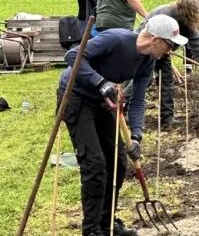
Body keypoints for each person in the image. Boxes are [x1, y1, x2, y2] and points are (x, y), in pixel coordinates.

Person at [56, 15, 188, 236]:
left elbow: (138, 100)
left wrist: (136, 136)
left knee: (117, 162)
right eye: (170, 45)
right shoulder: (116, 40)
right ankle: (92, 230)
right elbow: (72, 55)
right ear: (155, 40)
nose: (171, 51)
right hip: (76, 96)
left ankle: (107, 224)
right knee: (95, 164)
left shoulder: (148, 62)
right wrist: (101, 82)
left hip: (103, 101)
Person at [125, 0, 199, 129]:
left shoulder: (187, 19)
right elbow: (148, 37)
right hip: (148, 47)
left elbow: (196, 42)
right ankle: (122, 106)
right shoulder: (165, 15)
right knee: (144, 77)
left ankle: (167, 118)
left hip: (164, 49)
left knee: (166, 80)